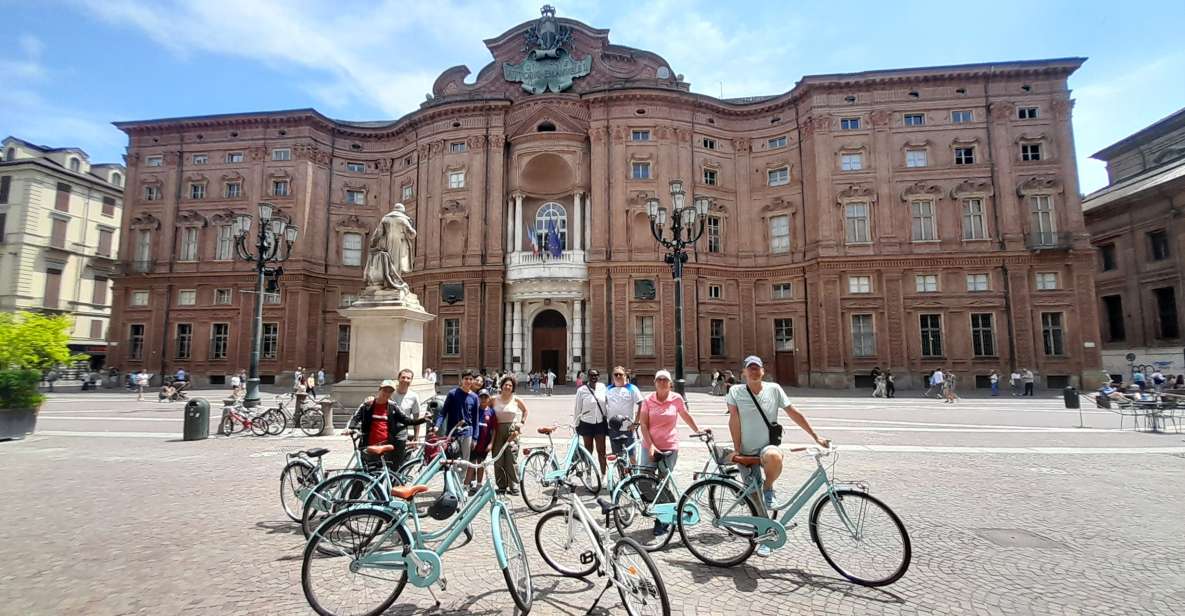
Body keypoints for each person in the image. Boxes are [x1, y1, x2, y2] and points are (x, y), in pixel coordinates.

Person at [726, 355, 829, 557]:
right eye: (750, 368)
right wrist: (737, 451)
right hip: (746, 451)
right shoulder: (735, 391)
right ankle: (765, 538)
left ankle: (768, 486)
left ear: (763, 371)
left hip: (766, 448)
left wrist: (816, 436)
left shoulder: (774, 389)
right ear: (744, 373)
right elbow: (734, 420)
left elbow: (793, 412)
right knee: (756, 502)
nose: (754, 371)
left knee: (774, 456)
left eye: (757, 368)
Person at [639, 369, 703, 535]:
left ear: (670, 383)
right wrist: (651, 445)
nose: (661, 382)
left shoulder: (676, 399)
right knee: (644, 481)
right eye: (659, 379)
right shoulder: (648, 400)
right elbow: (644, 425)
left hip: (669, 446)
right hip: (649, 447)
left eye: (665, 380)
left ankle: (663, 519)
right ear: (655, 383)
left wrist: (697, 430)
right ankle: (665, 510)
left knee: (663, 484)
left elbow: (685, 415)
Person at [347, 378, 430, 473]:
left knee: (381, 474)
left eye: (390, 392)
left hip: (385, 446)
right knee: (364, 474)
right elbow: (355, 417)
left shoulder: (392, 406)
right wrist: (350, 428)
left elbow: (406, 420)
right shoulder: (368, 404)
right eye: (385, 390)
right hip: (368, 445)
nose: (386, 394)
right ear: (379, 390)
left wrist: (423, 420)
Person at [436, 369, 480, 483]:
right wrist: (437, 425)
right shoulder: (452, 393)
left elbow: (475, 419)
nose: (468, 381)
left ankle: (459, 485)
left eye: (470, 379)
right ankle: (451, 485)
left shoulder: (474, 397)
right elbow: (443, 412)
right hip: (453, 433)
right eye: (466, 379)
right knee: (452, 460)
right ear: (461, 380)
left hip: (467, 433)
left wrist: (475, 437)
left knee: (464, 462)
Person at [492, 376, 528, 494]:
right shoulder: (493, 399)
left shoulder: (516, 400)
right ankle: (501, 485)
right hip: (496, 431)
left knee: (511, 458)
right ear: (501, 386)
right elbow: (484, 410)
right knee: (498, 458)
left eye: (510, 386)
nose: (507, 387)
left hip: (512, 431)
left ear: (513, 388)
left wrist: (521, 423)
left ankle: (513, 485)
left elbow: (525, 411)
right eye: (506, 385)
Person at [573, 368, 610, 475]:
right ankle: (588, 475)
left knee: (601, 451)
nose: (593, 377)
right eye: (591, 375)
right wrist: (576, 424)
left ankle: (603, 475)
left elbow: (608, 404)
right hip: (586, 423)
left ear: (598, 376)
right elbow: (577, 408)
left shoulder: (603, 387)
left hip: (600, 423)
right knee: (588, 451)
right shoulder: (581, 390)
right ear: (588, 377)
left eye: (596, 375)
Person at [605, 366, 644, 464]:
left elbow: (641, 404)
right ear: (612, 376)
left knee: (632, 455)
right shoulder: (608, 389)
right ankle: (622, 477)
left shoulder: (632, 388)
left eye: (620, 374)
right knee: (618, 456)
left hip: (628, 429)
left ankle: (635, 477)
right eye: (615, 374)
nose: (618, 376)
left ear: (625, 376)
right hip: (613, 428)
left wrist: (635, 423)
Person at [470, 389, 498, 492]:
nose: (483, 399)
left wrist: (491, 443)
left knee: (481, 463)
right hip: (474, 443)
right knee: (472, 463)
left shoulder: (491, 411)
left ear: (489, 398)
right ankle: (470, 482)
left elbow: (494, 429)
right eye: (481, 397)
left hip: (484, 443)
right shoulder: (474, 410)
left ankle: (478, 484)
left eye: (485, 397)